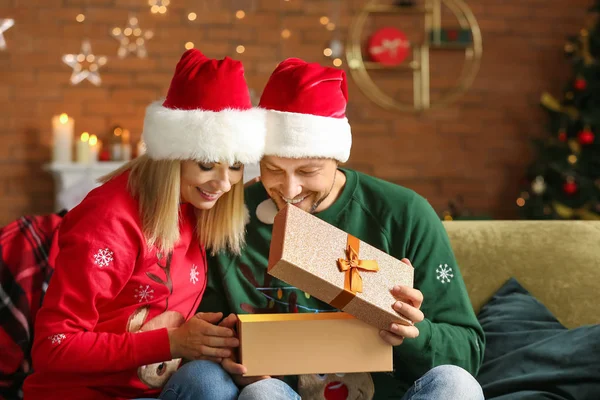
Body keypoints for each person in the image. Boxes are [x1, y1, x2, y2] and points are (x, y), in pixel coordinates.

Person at [195, 58, 486, 400]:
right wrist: (230, 355)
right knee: (262, 394)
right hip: (283, 394)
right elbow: (206, 327)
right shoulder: (231, 214)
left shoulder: (404, 213)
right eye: (273, 169)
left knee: (457, 385)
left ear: (337, 156)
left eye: (308, 171)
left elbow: (468, 352)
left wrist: (413, 332)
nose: (288, 191)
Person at [22, 49, 272, 400]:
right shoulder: (111, 219)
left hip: (156, 388)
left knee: (223, 383)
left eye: (234, 166)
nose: (224, 183)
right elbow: (54, 347)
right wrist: (172, 342)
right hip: (87, 393)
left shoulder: (195, 207)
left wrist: (217, 342)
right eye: (206, 164)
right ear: (171, 156)